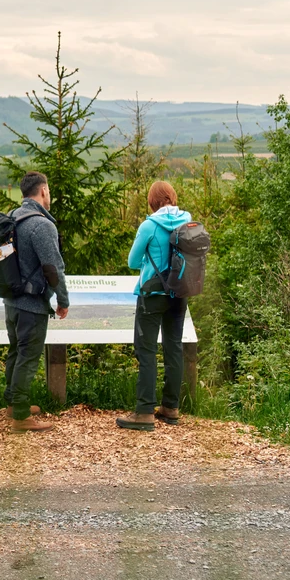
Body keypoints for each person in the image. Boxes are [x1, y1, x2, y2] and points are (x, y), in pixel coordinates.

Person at [116, 180, 192, 431]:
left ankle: (145, 412)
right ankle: (171, 408)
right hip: (179, 293)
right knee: (174, 349)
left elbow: (132, 261)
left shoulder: (149, 225)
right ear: (172, 197)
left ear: (152, 201)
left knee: (146, 351)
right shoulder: (187, 219)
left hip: (152, 293)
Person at [2, 171, 69, 433]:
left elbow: (4, 256)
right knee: (28, 358)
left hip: (11, 300)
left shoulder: (12, 218)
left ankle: (13, 403)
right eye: (48, 190)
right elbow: (54, 268)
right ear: (43, 191)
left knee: (16, 352)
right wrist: (62, 300)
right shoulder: (42, 225)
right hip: (32, 304)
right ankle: (20, 416)